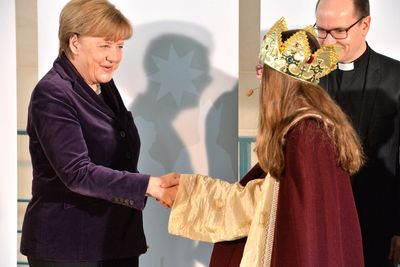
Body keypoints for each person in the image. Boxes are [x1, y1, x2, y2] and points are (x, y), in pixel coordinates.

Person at [167, 18, 365, 267]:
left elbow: (299, 231)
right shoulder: (306, 128)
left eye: (265, 72)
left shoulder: (306, 134)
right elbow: (262, 203)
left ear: (278, 81)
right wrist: (188, 191)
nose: (260, 80)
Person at [20, 1, 178, 266]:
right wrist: (148, 185)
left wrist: (155, 186)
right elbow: (77, 173)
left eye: (119, 46)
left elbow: (115, 159)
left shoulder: (101, 84)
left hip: (114, 242)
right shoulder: (53, 93)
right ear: (74, 43)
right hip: (69, 247)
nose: (114, 57)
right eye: (105, 45)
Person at [315, 0, 400, 266]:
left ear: (365, 25)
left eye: (339, 31)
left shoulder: (396, 77)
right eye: (321, 31)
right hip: (319, 223)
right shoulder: (305, 78)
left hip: (378, 224)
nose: (328, 42)